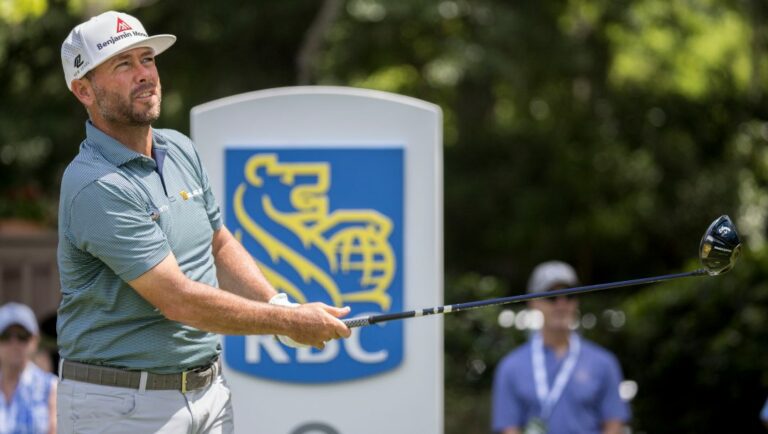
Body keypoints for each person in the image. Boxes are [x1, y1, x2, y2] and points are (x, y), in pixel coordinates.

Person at [57, 10, 351, 434]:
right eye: (123, 64)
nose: (144, 74)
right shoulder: (95, 184)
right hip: (121, 407)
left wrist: (277, 305)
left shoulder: (178, 149)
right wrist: (289, 323)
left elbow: (217, 243)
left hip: (208, 394)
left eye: (147, 59)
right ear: (84, 90)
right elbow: (178, 300)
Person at [492, 261, 630, 434]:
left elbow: (614, 424)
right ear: (533, 301)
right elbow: (508, 428)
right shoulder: (510, 367)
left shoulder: (605, 362)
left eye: (570, 295)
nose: (561, 303)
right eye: (552, 296)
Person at [0, 302, 57, 434]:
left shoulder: (51, 387)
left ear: (35, 339)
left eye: (22, 336)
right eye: (6, 336)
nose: (14, 343)